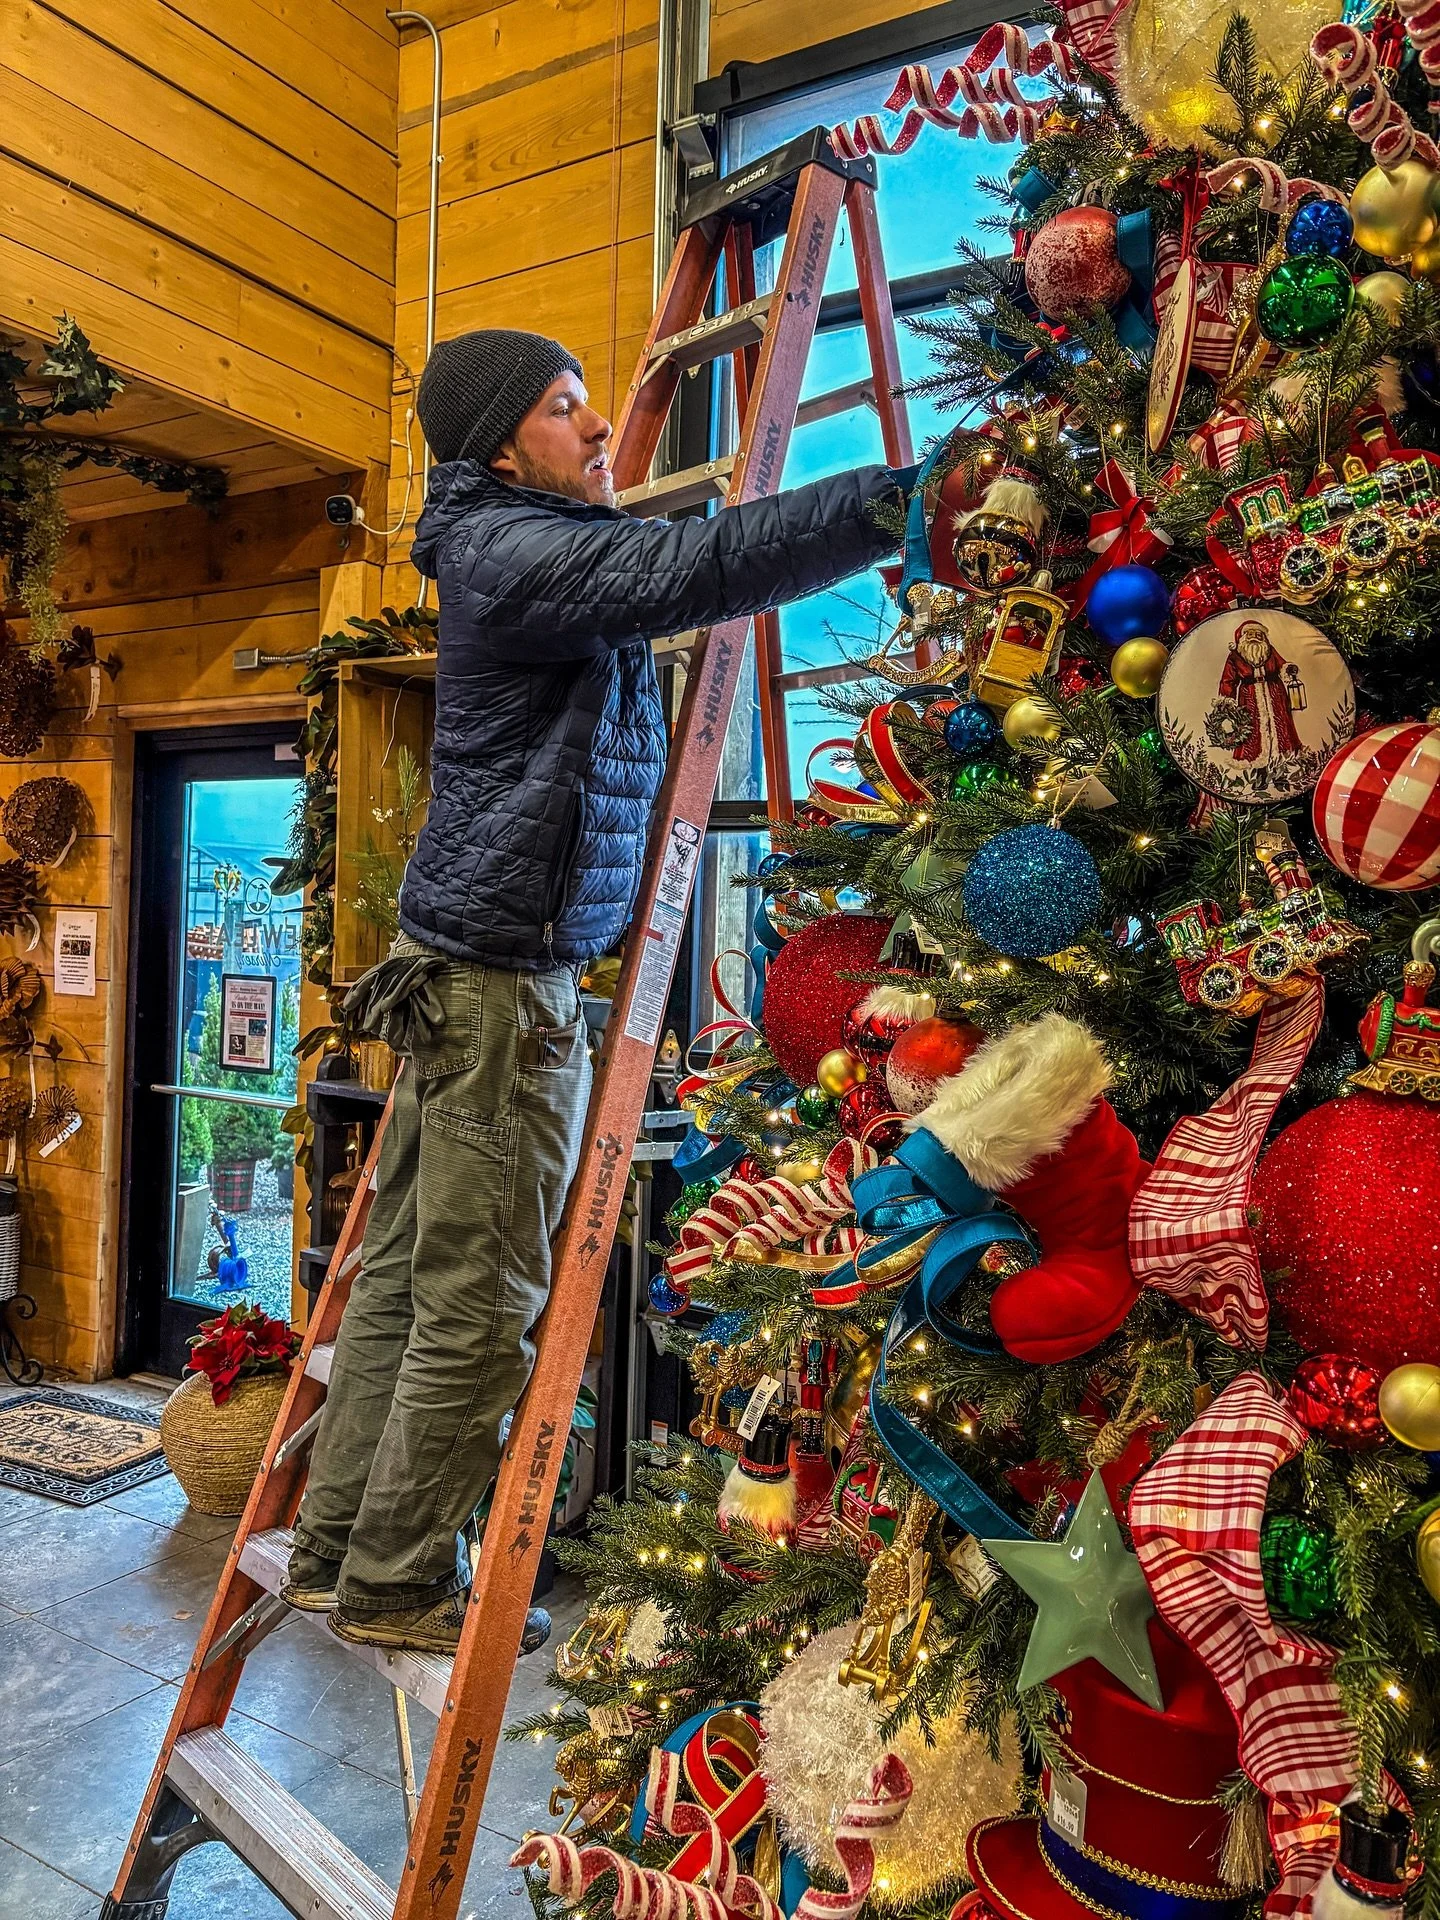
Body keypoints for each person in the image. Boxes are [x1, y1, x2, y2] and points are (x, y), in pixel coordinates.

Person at [283, 327, 917, 1654]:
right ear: (502, 440)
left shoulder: (505, 544)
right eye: (569, 410)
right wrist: (896, 504)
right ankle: (400, 1581)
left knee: (406, 1287)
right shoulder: (512, 551)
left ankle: (342, 1552)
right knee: (481, 1298)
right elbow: (691, 566)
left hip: (474, 971)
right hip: (505, 992)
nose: (601, 431)